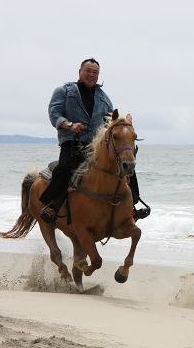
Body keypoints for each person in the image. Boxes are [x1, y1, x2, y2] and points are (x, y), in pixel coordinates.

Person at [39, 57, 149, 224]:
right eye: (88, 71)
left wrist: (124, 124)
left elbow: (111, 122)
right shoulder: (64, 91)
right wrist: (69, 125)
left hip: (96, 146)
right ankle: (53, 206)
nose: (91, 74)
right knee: (65, 167)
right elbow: (54, 113)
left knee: (127, 167)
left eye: (95, 72)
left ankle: (131, 207)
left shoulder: (104, 98)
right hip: (72, 141)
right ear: (80, 72)